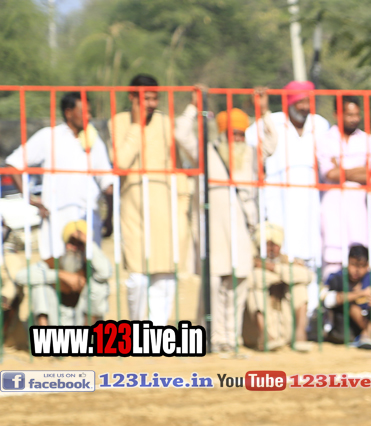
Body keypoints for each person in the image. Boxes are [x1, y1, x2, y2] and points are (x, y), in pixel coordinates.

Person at [175, 97, 260, 352]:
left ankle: (231, 338)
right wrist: (193, 106)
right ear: (223, 134)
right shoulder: (207, 152)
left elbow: (272, 143)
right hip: (213, 229)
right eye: (233, 134)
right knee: (213, 283)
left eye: (242, 134)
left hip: (242, 228)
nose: (238, 139)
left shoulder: (250, 155)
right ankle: (212, 337)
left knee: (238, 282)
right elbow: (181, 133)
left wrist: (264, 111)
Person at [111, 73, 193, 325]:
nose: (151, 104)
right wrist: (136, 126)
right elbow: (121, 163)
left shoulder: (164, 123)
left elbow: (176, 165)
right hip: (133, 210)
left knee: (165, 276)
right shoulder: (119, 122)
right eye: (146, 98)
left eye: (154, 98)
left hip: (166, 210)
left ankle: (157, 333)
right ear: (132, 97)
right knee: (137, 277)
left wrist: (182, 204)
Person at [245, 80, 329, 318]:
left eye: (308, 102)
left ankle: (310, 317)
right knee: (281, 260)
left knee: (311, 259)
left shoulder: (320, 124)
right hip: (278, 202)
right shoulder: (273, 122)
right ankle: (283, 319)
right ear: (289, 103)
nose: (304, 107)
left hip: (311, 202)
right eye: (300, 102)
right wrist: (261, 110)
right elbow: (251, 145)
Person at [4, 92, 114, 260]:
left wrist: (110, 216)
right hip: (56, 220)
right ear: (68, 113)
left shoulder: (94, 140)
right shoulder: (49, 136)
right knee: (56, 268)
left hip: (88, 219)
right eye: (83, 112)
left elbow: (107, 182)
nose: (88, 116)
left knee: (89, 268)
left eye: (89, 112)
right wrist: (31, 199)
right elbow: (14, 164)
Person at [318, 97, 371, 275]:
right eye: (349, 114)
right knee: (333, 261)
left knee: (363, 260)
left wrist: (341, 169)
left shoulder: (368, 141)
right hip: (332, 209)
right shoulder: (325, 140)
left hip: (360, 209)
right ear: (337, 114)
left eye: (357, 114)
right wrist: (359, 169)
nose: (354, 119)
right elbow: (329, 174)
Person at [11, 220, 111, 326]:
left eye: (80, 244)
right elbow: (20, 277)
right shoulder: (53, 262)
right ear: (65, 243)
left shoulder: (90, 266)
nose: (74, 248)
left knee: (99, 286)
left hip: (81, 320)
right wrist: (60, 275)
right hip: (55, 321)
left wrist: (88, 242)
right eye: (71, 242)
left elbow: (106, 272)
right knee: (39, 284)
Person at [244, 222, 313, 352]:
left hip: (285, 327)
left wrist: (272, 268)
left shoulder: (286, 260)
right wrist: (285, 275)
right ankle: (265, 336)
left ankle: (300, 336)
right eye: (267, 244)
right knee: (255, 289)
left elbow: (307, 276)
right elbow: (255, 279)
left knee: (299, 287)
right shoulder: (251, 262)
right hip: (256, 333)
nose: (272, 249)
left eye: (275, 244)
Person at [320, 243, 371, 348]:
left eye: (362, 266)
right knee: (348, 304)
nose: (357, 270)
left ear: (367, 266)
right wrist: (362, 293)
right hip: (345, 328)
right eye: (353, 264)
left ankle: (366, 334)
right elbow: (327, 300)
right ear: (346, 263)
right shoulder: (337, 278)